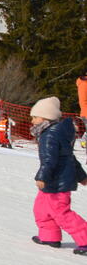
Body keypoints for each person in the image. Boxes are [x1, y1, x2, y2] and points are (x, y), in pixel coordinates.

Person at [27, 97, 87, 256]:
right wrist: (81, 176)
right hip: (53, 181)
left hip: (56, 182)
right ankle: (49, 236)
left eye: (35, 117)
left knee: (61, 213)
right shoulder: (55, 133)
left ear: (46, 117)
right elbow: (69, 157)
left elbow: (49, 160)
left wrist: (42, 177)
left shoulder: (50, 135)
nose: (32, 120)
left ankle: (85, 239)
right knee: (41, 209)